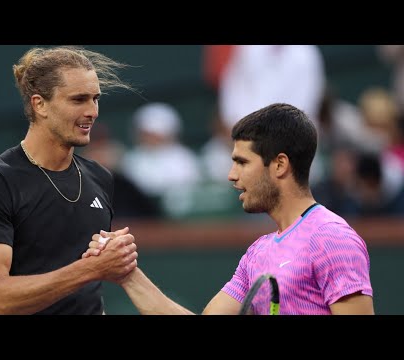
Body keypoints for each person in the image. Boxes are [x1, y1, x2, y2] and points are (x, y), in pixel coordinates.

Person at [85, 103, 374, 315]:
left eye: (242, 162)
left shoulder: (331, 237)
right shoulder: (257, 253)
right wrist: (127, 274)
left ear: (280, 165)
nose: (232, 175)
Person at [0, 46, 138, 315]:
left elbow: (88, 294)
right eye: (78, 100)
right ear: (39, 104)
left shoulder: (99, 177)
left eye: (95, 99)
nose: (92, 111)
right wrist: (90, 269)